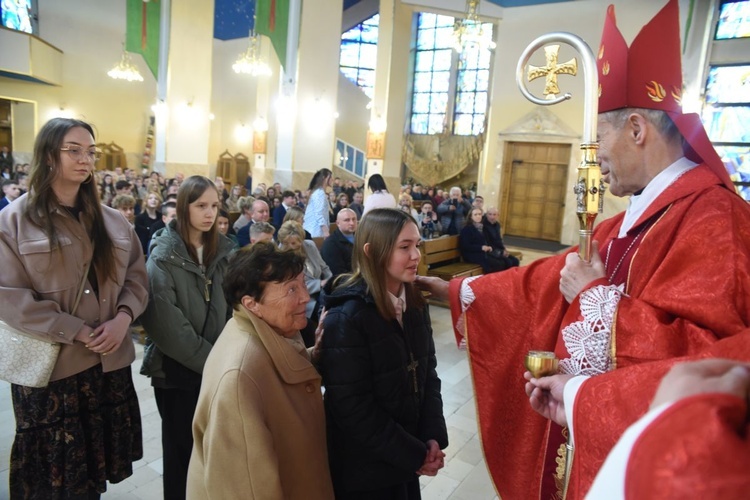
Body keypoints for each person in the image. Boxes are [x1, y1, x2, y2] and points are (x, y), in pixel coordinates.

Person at [415, 2, 750, 498]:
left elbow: (718, 367)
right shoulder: (637, 215)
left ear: (637, 130)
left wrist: (596, 294)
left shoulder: (714, 222)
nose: (597, 162)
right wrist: (459, 290)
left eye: (599, 139)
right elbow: (543, 280)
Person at [0, 117, 149, 498]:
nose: (86, 159)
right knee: (52, 482)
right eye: (74, 150)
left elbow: (136, 276)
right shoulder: (15, 221)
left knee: (91, 478)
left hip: (106, 364)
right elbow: (9, 296)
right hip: (54, 371)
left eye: (91, 152)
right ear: (48, 155)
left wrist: (123, 318)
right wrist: (76, 329)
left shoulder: (113, 220)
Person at [187, 243, 334, 499]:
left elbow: (275, 376)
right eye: (291, 289)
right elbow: (245, 489)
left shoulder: (262, 330)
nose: (305, 297)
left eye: (302, 284)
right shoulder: (238, 376)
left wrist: (313, 355)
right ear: (252, 303)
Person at [319, 208, 448, 499]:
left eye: (417, 245)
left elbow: (427, 373)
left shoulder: (414, 303)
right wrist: (414, 454)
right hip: (366, 469)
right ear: (371, 250)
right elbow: (352, 407)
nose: (416, 255)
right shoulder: (347, 316)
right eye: (404, 247)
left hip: (405, 457)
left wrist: (430, 438)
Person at [139, 175, 235, 500]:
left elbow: (235, 309)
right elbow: (167, 327)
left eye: (215, 206)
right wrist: (217, 363)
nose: (210, 214)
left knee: (214, 455)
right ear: (184, 207)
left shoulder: (223, 251)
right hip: (177, 374)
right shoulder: (162, 257)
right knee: (183, 459)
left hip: (218, 371)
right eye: (201, 206)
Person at [278, 221, 332, 323]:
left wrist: (331, 281)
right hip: (304, 300)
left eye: (300, 240)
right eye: (293, 243)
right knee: (328, 315)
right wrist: (319, 284)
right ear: (285, 242)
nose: (298, 245)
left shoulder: (309, 245)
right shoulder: (281, 257)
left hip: (322, 292)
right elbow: (292, 286)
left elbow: (324, 267)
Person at [459, 208, 505, 274]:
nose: (478, 216)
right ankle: (489, 281)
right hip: (471, 254)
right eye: (475, 214)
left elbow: (486, 240)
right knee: (495, 264)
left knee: (501, 261)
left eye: (479, 214)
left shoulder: (482, 227)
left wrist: (488, 247)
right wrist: (481, 247)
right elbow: (465, 246)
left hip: (481, 252)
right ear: (471, 217)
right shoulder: (467, 229)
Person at [320, 207, 357, 279]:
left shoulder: (361, 237)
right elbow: (338, 274)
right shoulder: (330, 244)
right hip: (345, 282)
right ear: (338, 223)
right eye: (347, 220)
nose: (352, 223)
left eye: (354, 219)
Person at [482, 206, 519, 271]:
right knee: (507, 262)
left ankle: (513, 279)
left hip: (498, 249)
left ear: (498, 215)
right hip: (491, 251)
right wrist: (501, 252)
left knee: (515, 261)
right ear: (486, 215)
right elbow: (488, 243)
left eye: (494, 214)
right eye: (490, 214)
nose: (492, 217)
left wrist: (504, 249)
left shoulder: (497, 225)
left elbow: (499, 239)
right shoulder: (484, 226)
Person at [303, 168, 333, 238]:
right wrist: (325, 231)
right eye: (330, 177)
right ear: (324, 178)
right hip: (315, 230)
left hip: (315, 229)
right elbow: (318, 213)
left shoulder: (318, 191)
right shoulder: (319, 193)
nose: (332, 179)